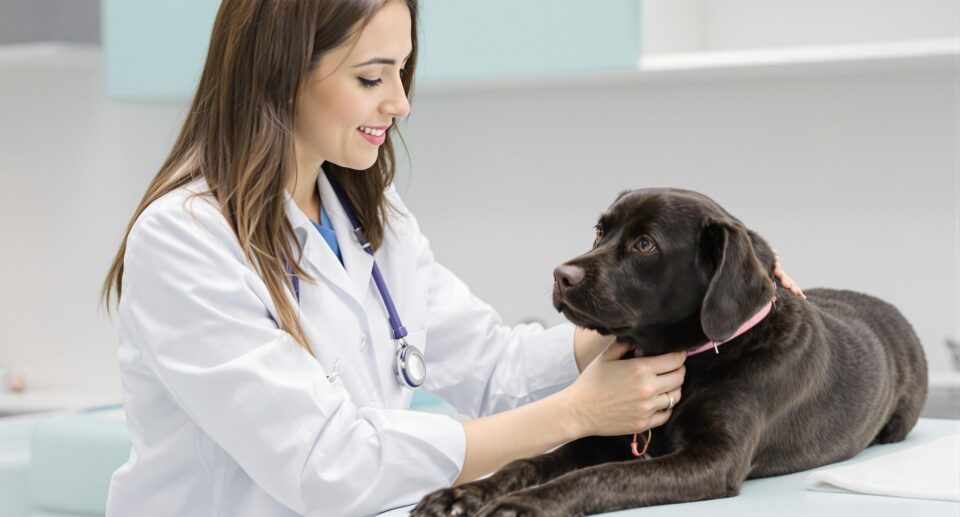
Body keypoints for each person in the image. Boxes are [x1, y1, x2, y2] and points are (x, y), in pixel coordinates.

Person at [100, 1, 803, 515]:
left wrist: (696, 313)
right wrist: (576, 416)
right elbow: (326, 464)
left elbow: (492, 367)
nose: (400, 102)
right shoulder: (184, 241)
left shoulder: (372, 217)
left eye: (402, 72)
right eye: (373, 77)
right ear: (280, 72)